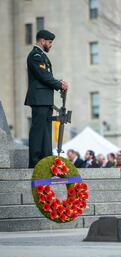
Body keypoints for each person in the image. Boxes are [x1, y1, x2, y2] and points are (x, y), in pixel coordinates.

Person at [24, 29, 69, 168]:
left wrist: (58, 82)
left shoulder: (42, 56)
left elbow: (46, 76)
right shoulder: (35, 56)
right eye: (49, 42)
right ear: (42, 41)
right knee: (38, 130)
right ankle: (35, 161)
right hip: (39, 99)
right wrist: (58, 83)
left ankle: (46, 159)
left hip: (45, 99)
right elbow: (43, 75)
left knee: (46, 130)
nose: (51, 45)